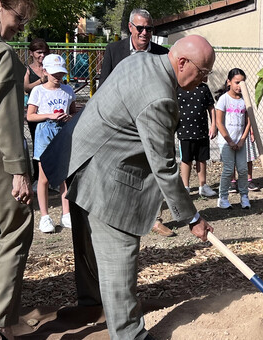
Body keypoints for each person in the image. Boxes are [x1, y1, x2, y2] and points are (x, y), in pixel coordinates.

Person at [41, 35, 215, 340]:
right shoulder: (160, 98)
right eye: (202, 73)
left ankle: (91, 307)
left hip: (80, 160)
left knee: (90, 252)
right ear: (182, 62)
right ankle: (129, 335)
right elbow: (164, 165)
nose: (202, 81)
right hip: (106, 179)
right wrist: (191, 217)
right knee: (119, 259)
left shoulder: (140, 60)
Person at [99, 8, 175, 237]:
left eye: (149, 29)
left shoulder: (162, 54)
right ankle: (122, 215)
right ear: (130, 27)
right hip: (122, 122)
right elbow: (104, 87)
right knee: (122, 168)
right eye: (140, 28)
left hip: (154, 122)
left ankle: (155, 218)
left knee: (156, 167)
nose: (144, 33)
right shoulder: (114, 51)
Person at [0, 0, 36, 339]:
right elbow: (5, 119)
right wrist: (19, 170)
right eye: (18, 18)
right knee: (15, 226)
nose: (21, 27)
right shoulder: (1, 53)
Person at [26, 54, 77, 233]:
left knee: (63, 175)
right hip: (44, 133)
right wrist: (49, 115)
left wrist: (69, 117)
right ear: (45, 71)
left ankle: (66, 213)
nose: (58, 77)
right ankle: (45, 216)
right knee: (44, 177)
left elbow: (74, 113)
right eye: (54, 73)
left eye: (61, 73)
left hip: (62, 132)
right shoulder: (38, 91)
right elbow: (30, 115)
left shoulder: (68, 90)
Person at [215, 68, 251, 209]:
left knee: (242, 170)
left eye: (242, 82)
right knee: (229, 170)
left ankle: (244, 196)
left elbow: (248, 122)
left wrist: (242, 140)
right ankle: (223, 198)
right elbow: (219, 122)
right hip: (226, 143)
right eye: (237, 82)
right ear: (229, 82)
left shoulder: (244, 100)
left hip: (240, 143)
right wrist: (229, 141)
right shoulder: (224, 99)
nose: (239, 86)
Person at [177, 79, 217, 197]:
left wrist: (213, 125)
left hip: (202, 131)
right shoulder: (178, 88)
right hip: (184, 132)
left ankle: (203, 185)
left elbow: (211, 107)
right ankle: (185, 187)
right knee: (186, 159)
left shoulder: (204, 88)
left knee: (202, 158)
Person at [23, 37, 49, 188]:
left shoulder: (50, 67)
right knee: (37, 146)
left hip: (51, 111)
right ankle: (37, 178)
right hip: (35, 113)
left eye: (44, 52)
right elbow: (26, 87)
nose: (42, 56)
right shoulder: (28, 69)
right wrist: (42, 80)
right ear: (32, 53)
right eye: (39, 52)